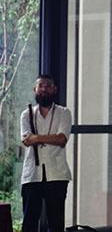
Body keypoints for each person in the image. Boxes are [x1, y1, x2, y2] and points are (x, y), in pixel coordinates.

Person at [20, 75, 72, 232]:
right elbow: (26, 140)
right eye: (41, 86)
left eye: (48, 86)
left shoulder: (64, 112)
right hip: (32, 175)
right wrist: (49, 138)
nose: (44, 89)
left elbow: (62, 139)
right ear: (35, 89)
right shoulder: (26, 114)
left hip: (57, 174)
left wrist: (36, 138)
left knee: (56, 223)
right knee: (29, 222)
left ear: (54, 89)